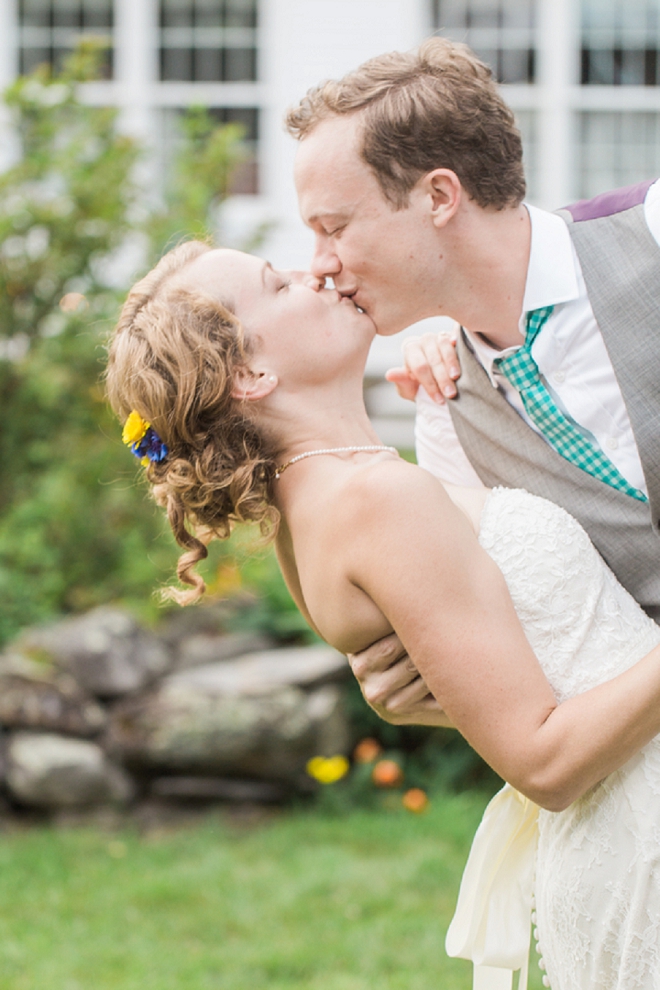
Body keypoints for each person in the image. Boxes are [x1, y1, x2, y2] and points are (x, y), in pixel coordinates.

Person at [107, 240, 660, 989]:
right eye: (280, 281)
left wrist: (453, 375)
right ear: (251, 374)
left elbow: (519, 675)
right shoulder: (375, 502)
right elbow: (544, 762)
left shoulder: (315, 515)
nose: (319, 270)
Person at [285, 37, 660, 729]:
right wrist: (432, 697)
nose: (320, 267)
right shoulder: (446, 415)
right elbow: (538, 653)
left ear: (438, 195)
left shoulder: (653, 232)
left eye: (333, 228)